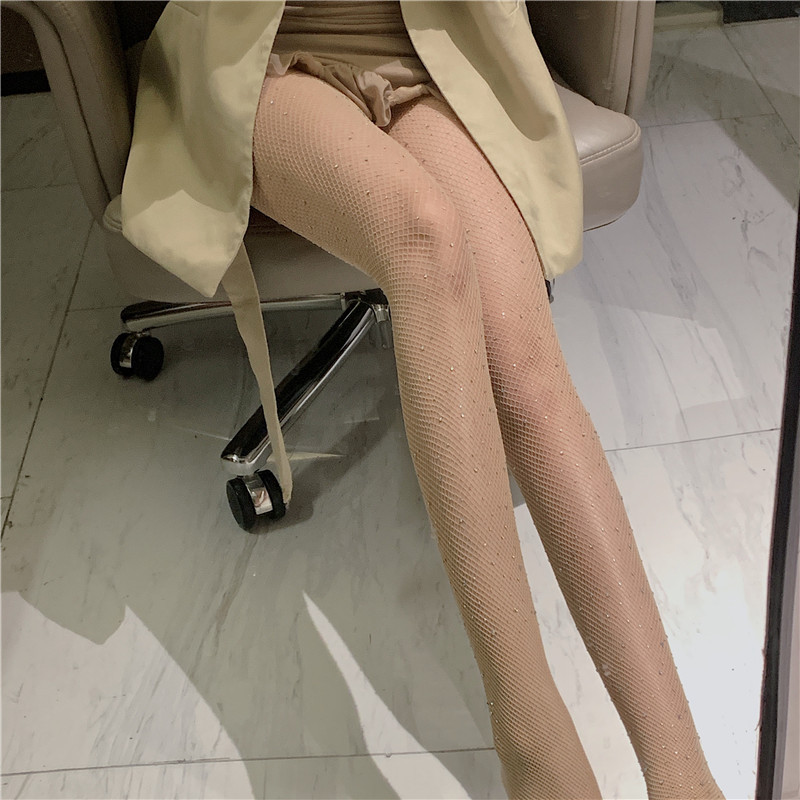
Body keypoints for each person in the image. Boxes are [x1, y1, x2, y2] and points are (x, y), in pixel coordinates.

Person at [121, 2, 725, 797]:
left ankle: (685, 777)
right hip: (261, 57)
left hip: (426, 45)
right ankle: (535, 752)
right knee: (425, 235)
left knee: (525, 368)